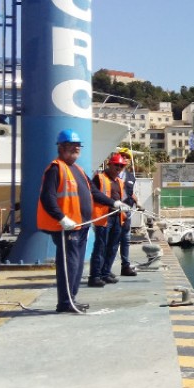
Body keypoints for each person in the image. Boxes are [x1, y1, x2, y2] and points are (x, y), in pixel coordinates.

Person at [37, 129, 130, 313]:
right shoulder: (56, 168)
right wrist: (61, 218)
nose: (75, 150)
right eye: (71, 147)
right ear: (61, 148)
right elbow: (47, 198)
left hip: (81, 225)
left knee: (77, 263)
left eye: (77, 147)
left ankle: (72, 298)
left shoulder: (77, 169)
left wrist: (114, 203)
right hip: (67, 227)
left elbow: (93, 192)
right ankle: (65, 302)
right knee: (69, 263)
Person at [88, 153, 128, 287]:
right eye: (116, 165)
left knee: (113, 247)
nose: (119, 168)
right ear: (109, 164)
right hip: (104, 218)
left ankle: (105, 273)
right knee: (100, 247)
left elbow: (123, 197)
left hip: (117, 217)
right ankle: (95, 276)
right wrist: (113, 203)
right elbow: (95, 195)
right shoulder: (99, 178)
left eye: (121, 166)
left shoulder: (119, 182)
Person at [116, 148, 138, 277]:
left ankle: (125, 266)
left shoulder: (131, 177)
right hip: (112, 212)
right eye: (122, 156)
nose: (124, 158)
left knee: (126, 239)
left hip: (127, 212)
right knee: (111, 241)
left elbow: (130, 193)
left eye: (127, 157)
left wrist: (137, 202)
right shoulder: (110, 173)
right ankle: (104, 269)